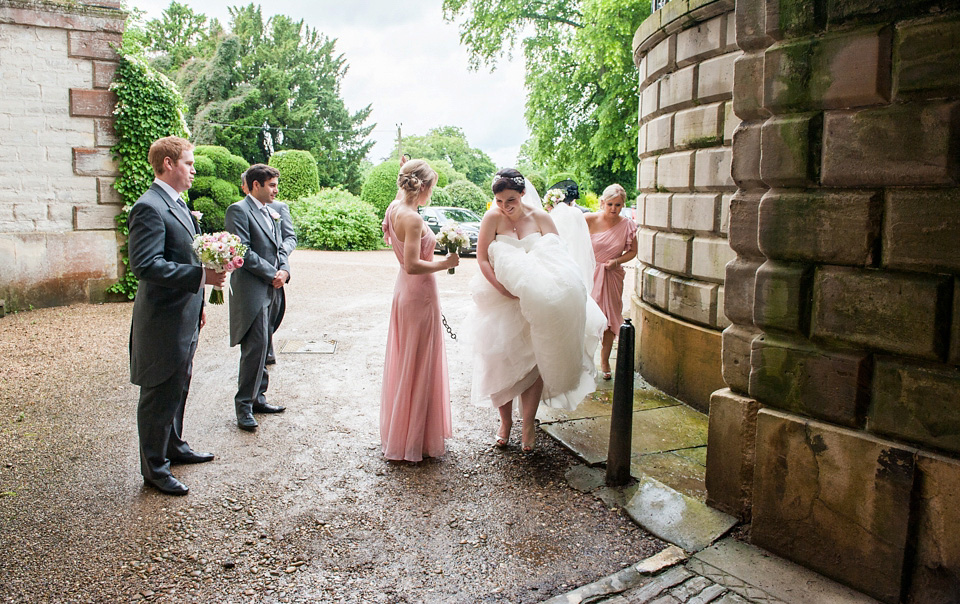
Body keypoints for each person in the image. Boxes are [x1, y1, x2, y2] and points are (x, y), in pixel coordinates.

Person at [471, 168, 604, 452]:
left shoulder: (542, 218)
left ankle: (528, 423)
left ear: (522, 194)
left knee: (533, 364)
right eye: (499, 201)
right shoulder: (491, 218)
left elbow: (560, 259)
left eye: (510, 201)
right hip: (502, 299)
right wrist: (501, 288)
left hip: (539, 300)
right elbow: (482, 259)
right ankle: (504, 422)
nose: (505, 208)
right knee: (500, 361)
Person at [128, 136, 226, 496]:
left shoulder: (180, 205)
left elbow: (189, 255)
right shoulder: (149, 207)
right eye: (188, 163)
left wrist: (200, 301)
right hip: (162, 320)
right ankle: (154, 468)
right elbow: (146, 265)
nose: (193, 169)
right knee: (159, 392)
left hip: (185, 313)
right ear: (168, 164)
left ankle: (174, 446)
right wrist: (202, 278)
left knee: (178, 386)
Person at [380, 159, 458, 462]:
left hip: (404, 293)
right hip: (418, 293)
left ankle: (407, 433)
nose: (431, 195)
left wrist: (408, 163)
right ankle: (413, 441)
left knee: (408, 361)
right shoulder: (411, 219)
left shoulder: (394, 207)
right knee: (419, 361)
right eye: (431, 188)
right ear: (422, 187)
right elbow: (412, 265)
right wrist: (445, 263)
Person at [225, 164, 289, 431]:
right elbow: (243, 251)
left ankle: (258, 398)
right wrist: (272, 273)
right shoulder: (238, 210)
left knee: (265, 345)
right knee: (254, 348)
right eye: (271, 185)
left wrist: (284, 270)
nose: (276, 190)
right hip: (252, 290)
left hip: (274, 287)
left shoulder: (271, 212)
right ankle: (243, 407)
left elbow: (281, 244)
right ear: (255, 185)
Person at [586, 184, 638, 380]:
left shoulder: (627, 225)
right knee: (588, 318)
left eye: (618, 205)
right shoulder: (588, 219)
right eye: (610, 204)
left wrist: (617, 261)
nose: (614, 209)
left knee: (609, 320)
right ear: (602, 203)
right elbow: (570, 237)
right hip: (590, 274)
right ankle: (586, 361)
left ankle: (605, 359)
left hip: (612, 276)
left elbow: (633, 251)